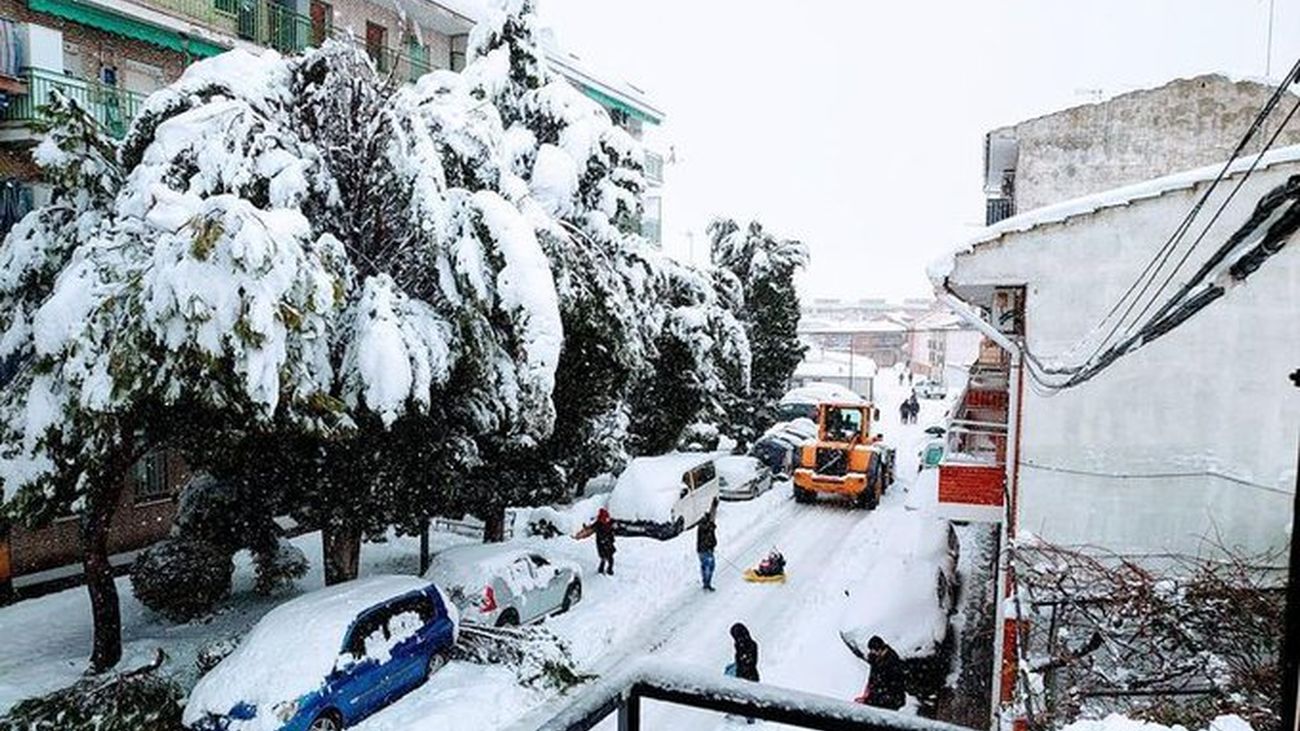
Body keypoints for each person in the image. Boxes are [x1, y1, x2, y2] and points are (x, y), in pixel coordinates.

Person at [855, 635, 906, 710]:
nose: (873, 652)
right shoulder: (875, 660)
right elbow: (872, 679)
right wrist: (866, 695)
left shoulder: (892, 662)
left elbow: (893, 685)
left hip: (891, 698)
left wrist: (870, 699)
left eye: (875, 650)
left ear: (881, 649)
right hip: (879, 695)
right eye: (871, 650)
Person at [697, 500, 718, 591]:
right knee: (709, 566)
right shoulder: (704, 527)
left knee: (706, 566)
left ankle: (706, 582)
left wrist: (714, 507)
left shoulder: (707, 525)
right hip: (705, 551)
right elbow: (706, 538)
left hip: (704, 550)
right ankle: (707, 583)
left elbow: (712, 516)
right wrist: (710, 546)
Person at [592, 507, 616, 575]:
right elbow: (592, 528)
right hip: (602, 543)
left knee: (610, 558)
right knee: (604, 558)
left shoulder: (608, 522)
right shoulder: (598, 524)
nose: (607, 519)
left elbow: (612, 528)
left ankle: (609, 569)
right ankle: (602, 569)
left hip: (608, 542)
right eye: (605, 517)